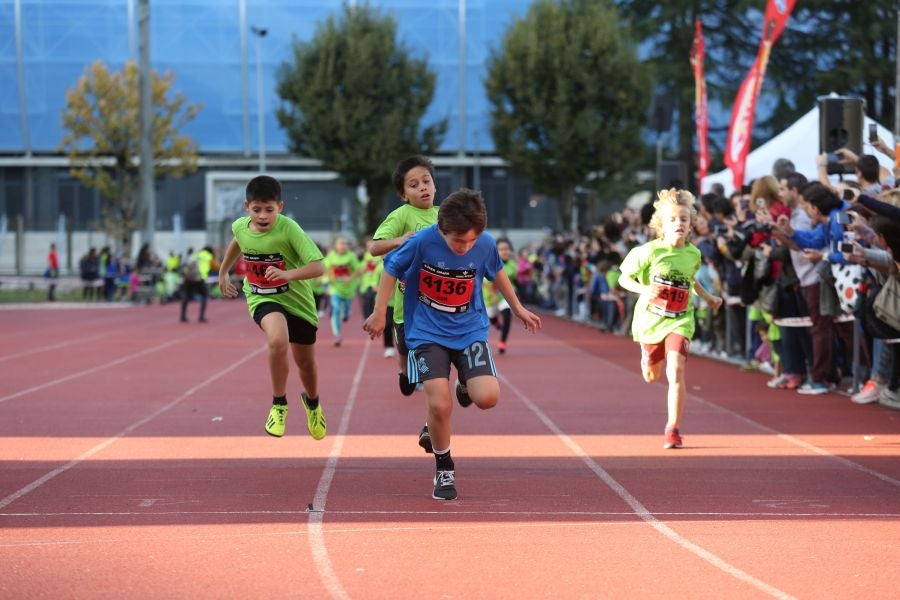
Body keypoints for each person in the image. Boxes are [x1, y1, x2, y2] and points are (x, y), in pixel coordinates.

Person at [363, 189, 541, 501]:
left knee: (487, 397)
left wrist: (517, 307)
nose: (466, 247)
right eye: (459, 241)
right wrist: (380, 313)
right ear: (442, 229)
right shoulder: (422, 242)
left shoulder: (484, 243)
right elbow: (390, 269)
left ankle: (465, 385)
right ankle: (444, 467)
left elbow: (497, 271)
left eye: (472, 241)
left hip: (469, 329)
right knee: (439, 405)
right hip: (426, 332)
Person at [217, 175, 327, 441]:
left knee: (305, 363)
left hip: (298, 302)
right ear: (247, 207)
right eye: (257, 209)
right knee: (277, 339)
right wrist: (223, 271)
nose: (263, 216)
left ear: (280, 207)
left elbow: (318, 267)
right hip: (262, 297)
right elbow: (238, 240)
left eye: (269, 209)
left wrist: (287, 275)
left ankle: (313, 403)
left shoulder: (289, 229)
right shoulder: (241, 226)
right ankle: (279, 404)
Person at [618, 189, 723, 450]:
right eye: (673, 219)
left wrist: (709, 297)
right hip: (651, 321)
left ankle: (672, 428)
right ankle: (648, 356)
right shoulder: (648, 252)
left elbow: (691, 280)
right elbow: (624, 278)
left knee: (676, 369)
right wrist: (644, 289)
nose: (679, 223)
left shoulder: (693, 254)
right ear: (661, 226)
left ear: (691, 225)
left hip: (680, 319)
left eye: (684, 219)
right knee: (651, 376)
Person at [368, 155, 440, 452]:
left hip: (439, 309)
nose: (422, 188)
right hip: (407, 309)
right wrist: (399, 240)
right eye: (414, 184)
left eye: (426, 181)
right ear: (403, 194)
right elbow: (374, 247)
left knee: (435, 374)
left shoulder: (445, 215)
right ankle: (402, 370)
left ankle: (430, 425)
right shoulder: (402, 215)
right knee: (405, 353)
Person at [322, 237, 360, 346]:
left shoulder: (351, 256)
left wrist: (350, 278)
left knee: (346, 310)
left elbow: (358, 270)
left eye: (345, 244)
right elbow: (324, 268)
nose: (343, 246)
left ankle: (346, 313)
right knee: (336, 309)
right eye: (341, 244)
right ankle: (337, 335)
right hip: (335, 288)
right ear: (336, 246)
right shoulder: (331, 256)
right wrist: (328, 278)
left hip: (348, 288)